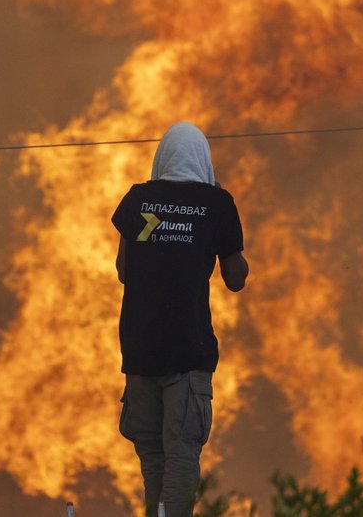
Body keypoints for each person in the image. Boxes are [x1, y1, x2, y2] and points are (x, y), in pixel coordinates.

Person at [111, 122, 249, 517]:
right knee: (182, 453)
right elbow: (235, 280)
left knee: (153, 456)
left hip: (139, 350)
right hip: (188, 353)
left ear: (161, 158)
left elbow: (123, 270)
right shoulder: (216, 204)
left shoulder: (138, 200)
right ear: (203, 161)